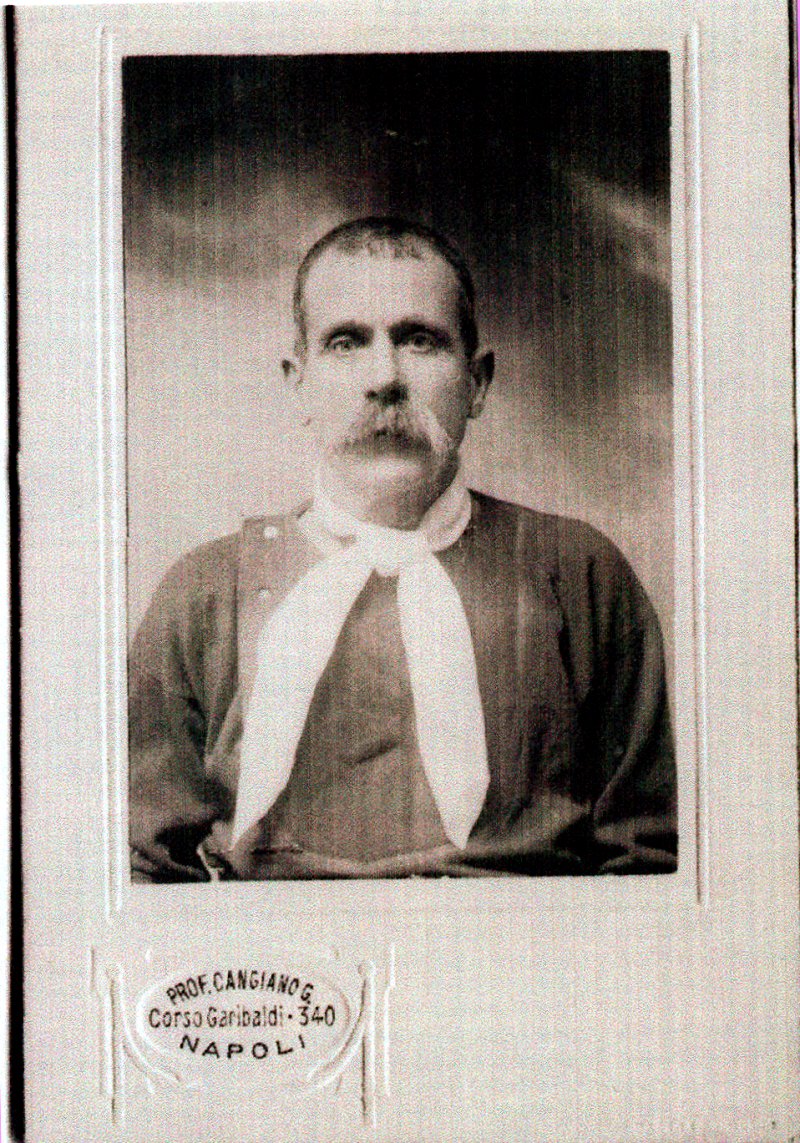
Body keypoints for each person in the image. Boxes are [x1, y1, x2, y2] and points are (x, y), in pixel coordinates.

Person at [129, 217, 677, 882]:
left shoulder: (579, 574)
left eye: (420, 341)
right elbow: (142, 876)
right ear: (296, 381)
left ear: (477, 382)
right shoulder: (204, 592)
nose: (384, 377)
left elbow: (648, 862)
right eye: (346, 343)